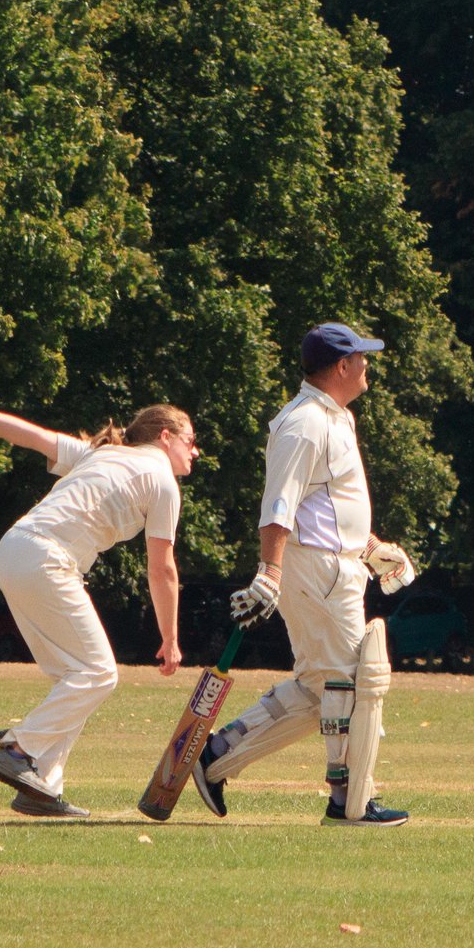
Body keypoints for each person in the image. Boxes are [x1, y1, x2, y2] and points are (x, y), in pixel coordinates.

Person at [0, 379, 198, 818]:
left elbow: (34, 437)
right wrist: (170, 638)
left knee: (74, 678)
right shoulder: (161, 481)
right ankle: (19, 749)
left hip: (15, 550)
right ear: (164, 437)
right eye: (190, 440)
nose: (195, 451)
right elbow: (162, 568)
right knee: (99, 674)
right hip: (45, 559)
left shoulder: (102, 454)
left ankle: (42, 787)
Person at [191, 322, 416, 826]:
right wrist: (269, 572)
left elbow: (329, 502)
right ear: (341, 366)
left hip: (338, 563)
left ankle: (216, 756)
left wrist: (372, 548)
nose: (367, 366)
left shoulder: (338, 418)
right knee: (350, 684)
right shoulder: (303, 423)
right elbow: (280, 505)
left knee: (320, 690)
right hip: (315, 566)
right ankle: (348, 801)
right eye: (362, 357)